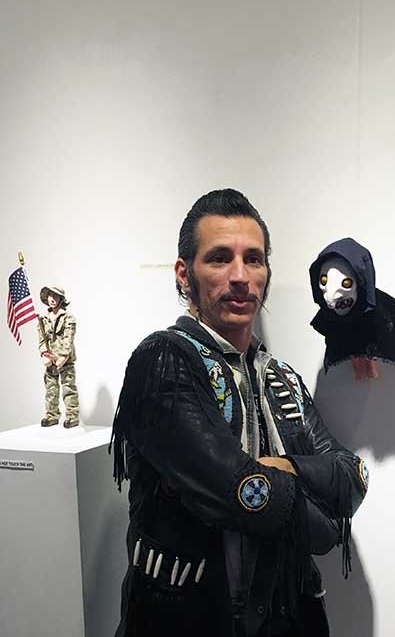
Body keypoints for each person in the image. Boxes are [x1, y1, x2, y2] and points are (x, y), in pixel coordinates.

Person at [110, 189, 368, 637]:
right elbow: (244, 496)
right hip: (184, 621)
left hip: (284, 619)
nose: (240, 276)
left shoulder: (281, 376)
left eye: (253, 259)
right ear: (184, 274)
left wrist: (286, 467)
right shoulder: (161, 361)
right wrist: (323, 518)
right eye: (219, 258)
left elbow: (352, 475)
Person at [38, 286, 79, 428]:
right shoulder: (43, 319)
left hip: (64, 360)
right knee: (51, 389)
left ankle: (72, 416)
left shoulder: (68, 317)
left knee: (69, 388)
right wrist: (44, 354)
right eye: (50, 295)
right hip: (50, 359)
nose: (52, 299)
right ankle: (52, 415)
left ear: (61, 299)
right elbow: (42, 340)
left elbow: (69, 338)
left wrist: (64, 355)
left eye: (56, 296)